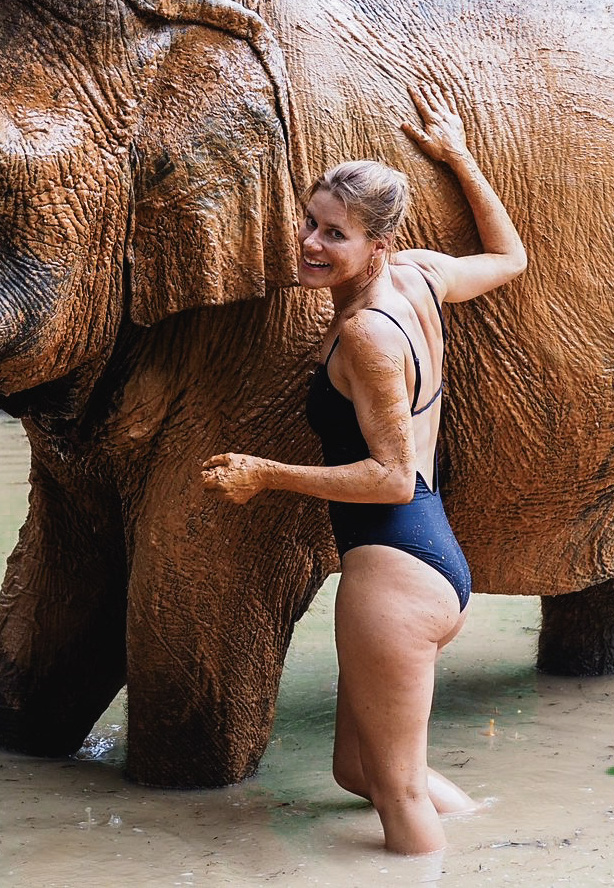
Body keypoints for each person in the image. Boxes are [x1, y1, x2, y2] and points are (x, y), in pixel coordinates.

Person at [200, 83, 527, 854]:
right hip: (422, 558)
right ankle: (489, 832)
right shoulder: (419, 275)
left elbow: (391, 476)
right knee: (359, 768)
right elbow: (509, 257)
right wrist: (457, 154)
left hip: (396, 568)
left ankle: (431, 865)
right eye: (310, 223)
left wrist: (263, 473)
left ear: (376, 246)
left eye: (334, 234)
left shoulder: (367, 339)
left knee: (398, 791)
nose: (312, 243)